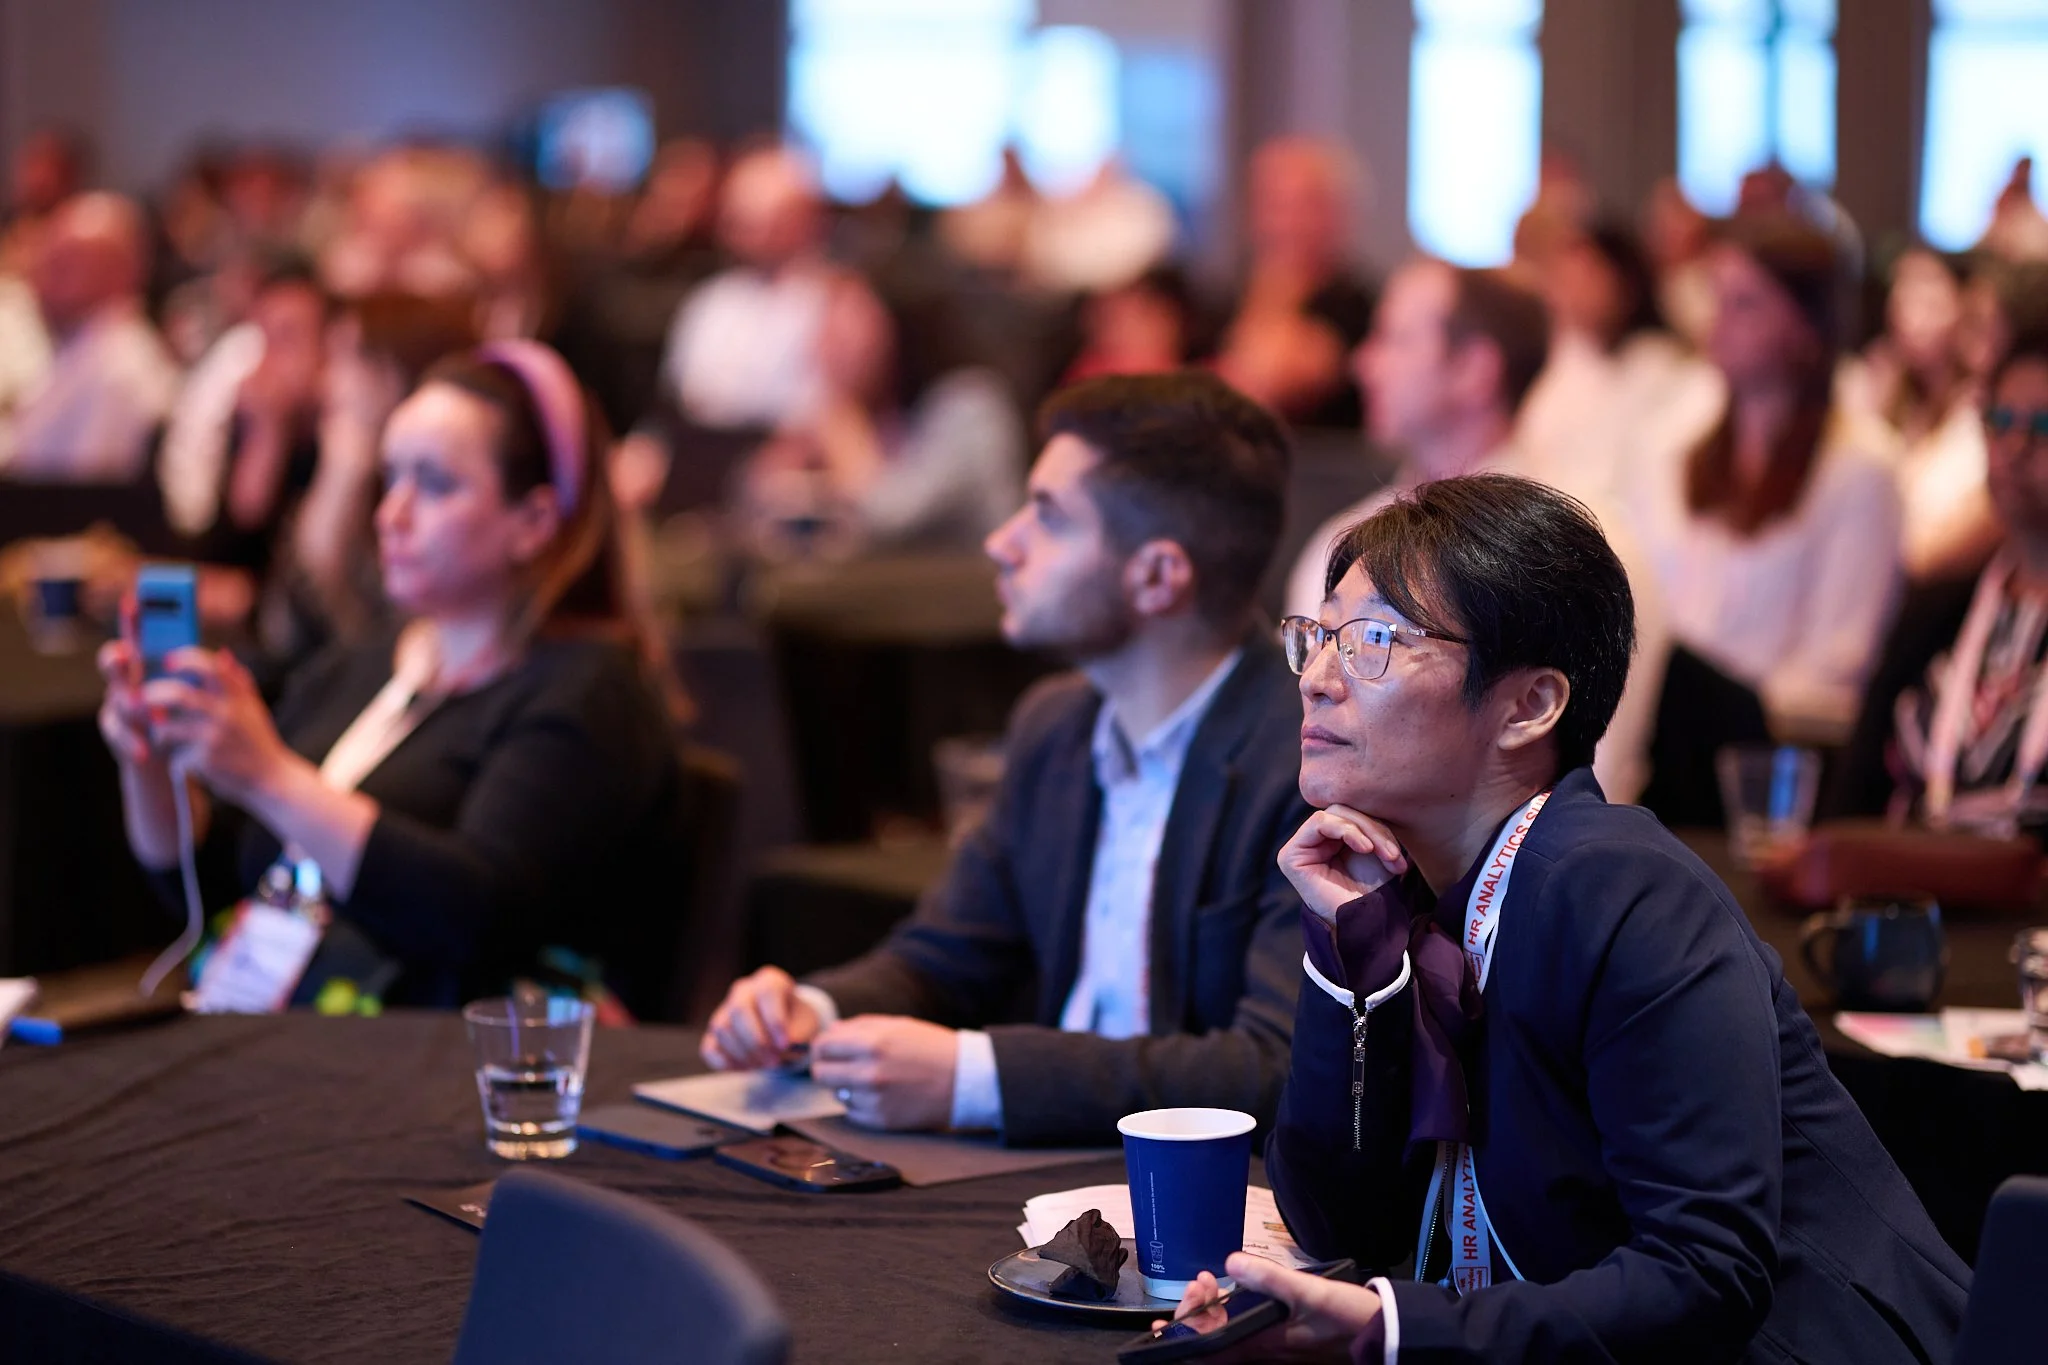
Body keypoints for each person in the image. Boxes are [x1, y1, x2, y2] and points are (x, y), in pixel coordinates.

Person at [1167, 472, 1968, 1363]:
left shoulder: (1622, 886)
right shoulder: (1411, 888)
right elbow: (1332, 1215)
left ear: (1530, 705)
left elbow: (1705, 1272)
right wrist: (1347, 955)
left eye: (1373, 642)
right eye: (1316, 639)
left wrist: (1400, 1330)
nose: (1316, 679)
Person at [701, 372, 1308, 1146]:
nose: (1003, 540)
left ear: (1157, 574)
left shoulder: (1303, 757)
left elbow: (1270, 1068)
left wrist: (977, 1078)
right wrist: (810, 1012)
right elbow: (945, 955)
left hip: (1200, 1211)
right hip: (1049, 1173)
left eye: (1049, 517)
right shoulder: (1053, 726)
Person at [98, 340, 683, 1008]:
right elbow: (208, 883)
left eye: (434, 484)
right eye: (391, 478)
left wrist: (268, 776)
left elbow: (476, 916)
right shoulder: (369, 661)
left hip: (458, 1066)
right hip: (295, 1030)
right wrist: (148, 761)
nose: (390, 514)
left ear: (534, 520)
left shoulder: (589, 689)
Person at [1284, 259, 1668, 804]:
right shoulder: (1341, 541)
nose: (1362, 362)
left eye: (1393, 338)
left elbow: (1593, 782)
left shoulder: (1586, 550)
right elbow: (1318, 764)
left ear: (1474, 369)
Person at [1631, 215, 1903, 821]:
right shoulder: (1680, 453)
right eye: (1717, 299)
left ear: (1808, 328)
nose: (1717, 324)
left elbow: (1838, 665)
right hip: (1673, 733)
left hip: (1776, 752)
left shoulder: (1860, 470)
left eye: (1745, 304)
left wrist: (1711, 701)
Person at [1833, 330, 2048, 837]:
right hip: (1904, 900)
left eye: (2043, 426)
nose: (2016, 447)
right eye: (2001, 422)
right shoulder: (1935, 613)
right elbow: (1852, 799)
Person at [736, 272, 1024, 556]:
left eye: (844, 331)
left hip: (974, 589)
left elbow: (892, 519)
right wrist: (782, 468)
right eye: (823, 329)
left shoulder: (971, 405)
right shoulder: (864, 413)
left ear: (898, 329)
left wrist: (842, 428)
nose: (827, 349)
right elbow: (750, 507)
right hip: (887, 591)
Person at [1515, 222, 1718, 508]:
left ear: (1624, 283)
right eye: (1563, 281)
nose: (1570, 295)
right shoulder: (1565, 361)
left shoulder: (1659, 364)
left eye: (1585, 279)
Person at [1842, 246, 2001, 583]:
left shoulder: (1979, 411)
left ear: (1963, 308)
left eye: (1931, 303)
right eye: (1905, 302)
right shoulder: (1876, 386)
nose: (1916, 320)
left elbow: (1927, 551)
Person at [0, 192, 179, 483]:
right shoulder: (85, 344)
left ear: (123, 272)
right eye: (45, 259)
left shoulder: (123, 369)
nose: (41, 277)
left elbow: (86, 494)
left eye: (64, 264)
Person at [1213, 138, 1376, 429]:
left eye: (1303, 205)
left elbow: (1262, 382)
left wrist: (1276, 291)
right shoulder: (1227, 295)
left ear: (1337, 212)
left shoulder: (1358, 305)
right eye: (1272, 204)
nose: (1284, 223)